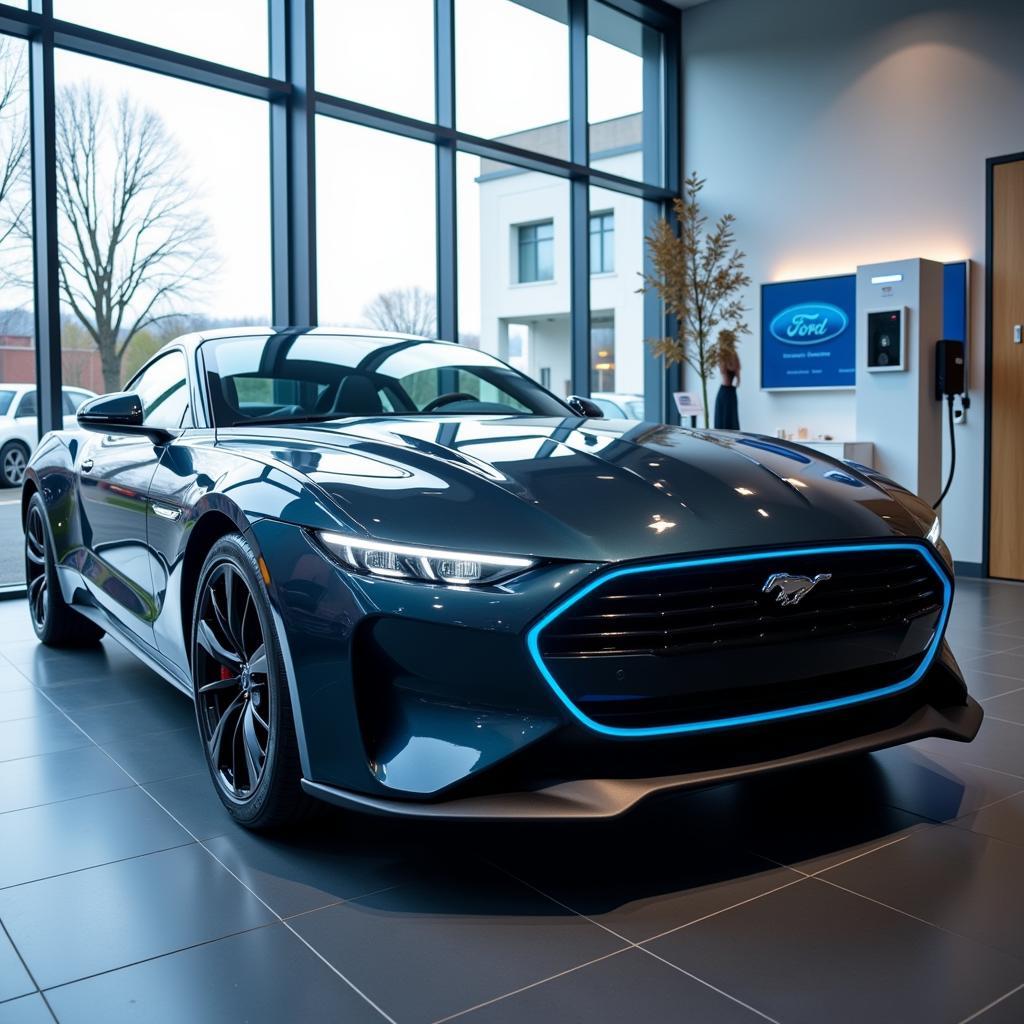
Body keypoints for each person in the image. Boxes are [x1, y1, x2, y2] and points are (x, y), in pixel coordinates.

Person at [713, 347, 741, 430]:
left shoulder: (725, 365)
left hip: (725, 393)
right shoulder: (735, 364)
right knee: (731, 422)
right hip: (731, 393)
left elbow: (725, 375)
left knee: (723, 423)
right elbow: (737, 381)